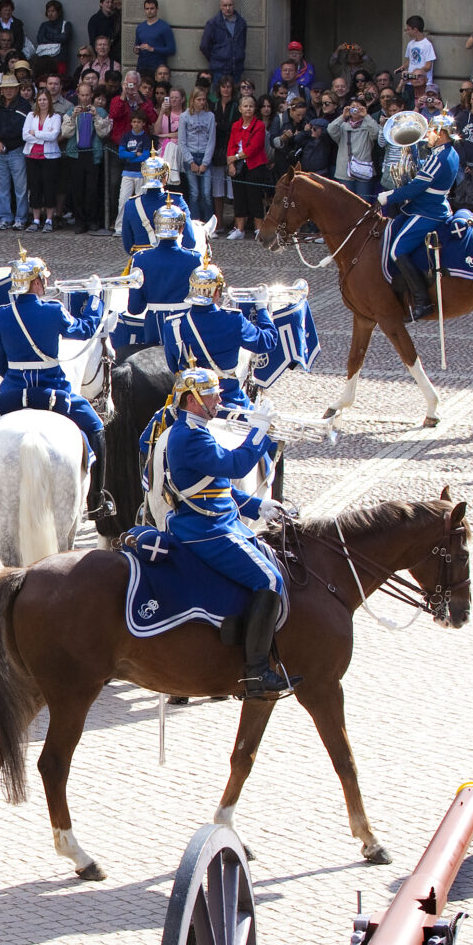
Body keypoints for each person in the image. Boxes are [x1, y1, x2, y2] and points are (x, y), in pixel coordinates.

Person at [156, 365, 292, 697]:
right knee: (270, 579)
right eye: (212, 393)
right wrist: (259, 433)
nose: (219, 398)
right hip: (205, 529)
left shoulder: (197, 430)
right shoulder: (190, 436)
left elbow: (217, 489)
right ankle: (257, 670)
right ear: (191, 399)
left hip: (218, 519)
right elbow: (234, 466)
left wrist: (258, 507)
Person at [0, 254, 111, 526]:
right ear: (36, 282)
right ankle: (97, 499)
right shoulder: (53, 310)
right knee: (96, 428)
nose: (46, 283)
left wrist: (16, 376)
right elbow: (84, 330)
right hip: (54, 393)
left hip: (13, 393)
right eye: (44, 279)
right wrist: (95, 299)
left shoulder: (1, 315)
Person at [160, 264, 280, 415]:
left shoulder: (173, 325)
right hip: (228, 401)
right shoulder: (234, 320)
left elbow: (173, 366)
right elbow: (267, 342)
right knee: (264, 428)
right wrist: (262, 308)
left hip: (189, 406)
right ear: (217, 292)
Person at [381, 113, 465, 323]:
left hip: (428, 210)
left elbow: (415, 187)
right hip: (427, 205)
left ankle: (421, 300)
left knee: (397, 250)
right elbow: (422, 173)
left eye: (431, 132)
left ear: (441, 133)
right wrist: (413, 151)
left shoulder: (440, 158)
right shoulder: (445, 153)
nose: (427, 135)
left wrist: (388, 197)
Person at [113, 201, 205, 355]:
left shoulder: (141, 259)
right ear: (182, 228)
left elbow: (135, 308)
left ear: (156, 229)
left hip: (154, 326)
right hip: (186, 324)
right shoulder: (195, 259)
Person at [118, 153, 196, 256]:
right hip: (172, 258)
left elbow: (128, 245)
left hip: (142, 262)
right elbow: (190, 240)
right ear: (165, 176)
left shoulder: (131, 205)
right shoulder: (177, 201)